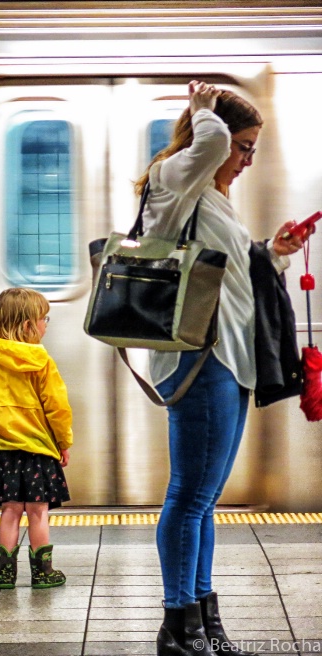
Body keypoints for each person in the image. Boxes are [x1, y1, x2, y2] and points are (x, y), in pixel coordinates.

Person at [137, 81, 309, 656]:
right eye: (243, 146)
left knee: (204, 500)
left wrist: (273, 252)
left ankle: (204, 620)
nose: (246, 159)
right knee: (188, 496)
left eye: (254, 149)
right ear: (208, 137)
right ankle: (177, 628)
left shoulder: (209, 195)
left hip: (230, 361)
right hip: (199, 357)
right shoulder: (174, 179)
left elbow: (230, 275)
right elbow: (208, 147)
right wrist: (204, 111)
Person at [0, 287, 73, 590]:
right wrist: (63, 442)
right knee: (38, 513)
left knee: (9, 512)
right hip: (39, 451)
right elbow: (57, 407)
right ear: (28, 326)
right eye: (44, 319)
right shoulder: (41, 360)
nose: (46, 324)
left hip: (4, 452)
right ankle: (42, 573)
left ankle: (6, 573)